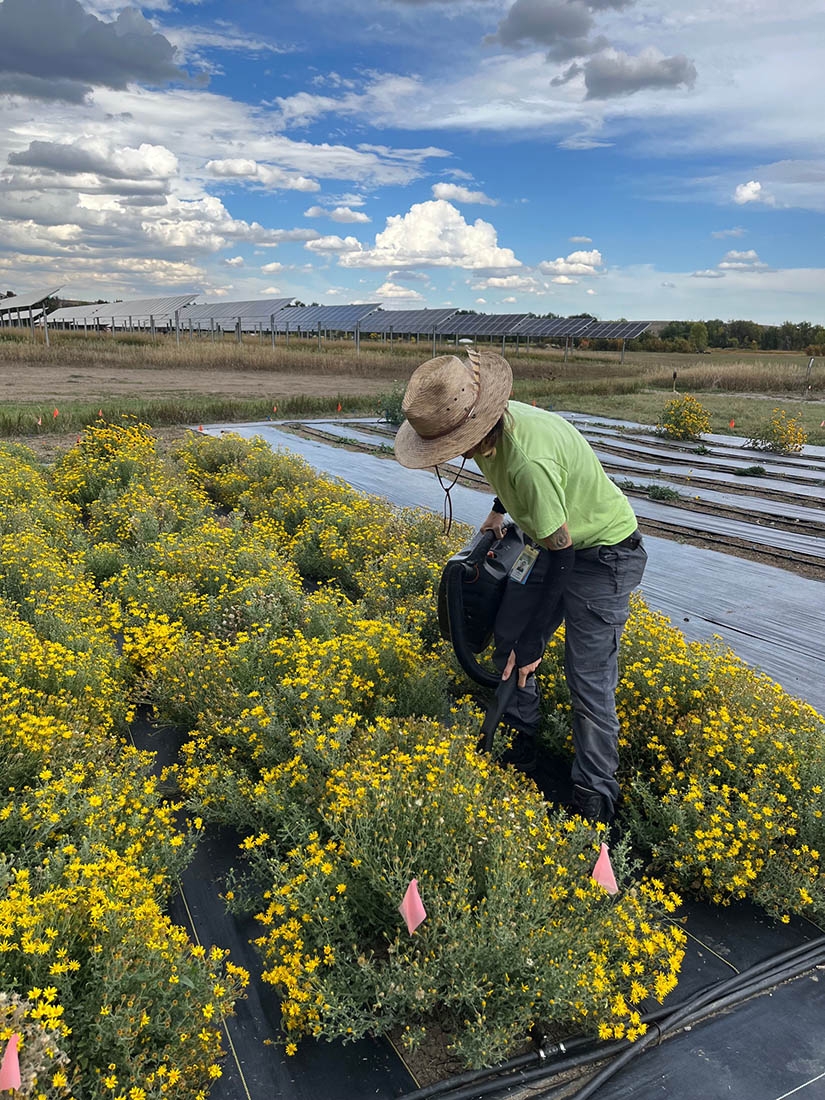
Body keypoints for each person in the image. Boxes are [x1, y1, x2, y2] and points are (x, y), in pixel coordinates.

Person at [393, 348, 647, 827]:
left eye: (453, 443)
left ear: (475, 424)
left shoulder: (527, 460)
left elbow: (563, 553)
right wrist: (499, 507)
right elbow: (515, 480)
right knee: (508, 640)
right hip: (549, 541)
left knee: (587, 679)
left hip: (599, 554)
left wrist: (538, 637)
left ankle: (595, 799)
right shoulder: (495, 429)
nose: (451, 452)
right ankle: (519, 744)